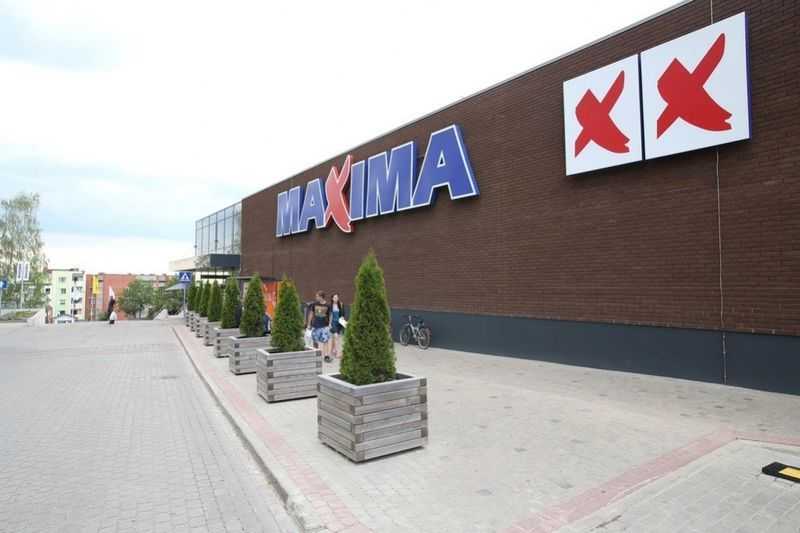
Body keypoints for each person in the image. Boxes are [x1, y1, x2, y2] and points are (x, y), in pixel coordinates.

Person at [306, 290, 332, 362]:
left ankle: (326, 356)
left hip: (324, 326)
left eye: (317, 296)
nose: (316, 297)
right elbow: (311, 314)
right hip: (315, 326)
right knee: (315, 341)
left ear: (321, 297)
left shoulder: (328, 305)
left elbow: (330, 315)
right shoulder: (314, 304)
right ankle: (316, 354)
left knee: (325, 340)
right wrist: (309, 324)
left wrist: (330, 324)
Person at [328, 293, 346, 359]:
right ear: (332, 298)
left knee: (334, 337)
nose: (336, 299)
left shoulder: (340, 304)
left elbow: (343, 314)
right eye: (335, 297)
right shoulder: (330, 305)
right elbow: (330, 315)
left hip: (339, 323)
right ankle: (338, 353)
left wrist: (343, 319)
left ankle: (332, 351)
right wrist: (329, 324)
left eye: (337, 297)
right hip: (333, 323)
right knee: (336, 336)